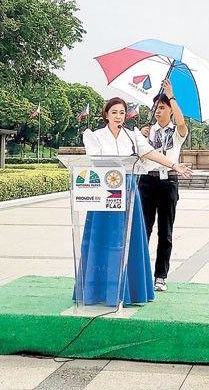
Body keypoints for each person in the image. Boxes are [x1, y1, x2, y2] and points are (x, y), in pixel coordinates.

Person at [78, 97, 193, 306]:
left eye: (122, 113)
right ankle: (97, 289)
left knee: (129, 239)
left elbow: (150, 153)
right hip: (105, 191)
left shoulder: (132, 136)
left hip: (128, 190)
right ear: (106, 115)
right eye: (114, 112)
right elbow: (95, 160)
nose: (118, 116)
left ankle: (129, 289)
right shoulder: (94, 136)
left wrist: (174, 166)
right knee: (102, 239)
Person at [139, 79, 189, 292]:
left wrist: (171, 95)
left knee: (165, 231)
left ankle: (161, 276)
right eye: (156, 108)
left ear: (169, 109)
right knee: (144, 229)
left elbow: (181, 121)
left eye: (162, 108)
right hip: (147, 181)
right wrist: (141, 136)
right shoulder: (146, 132)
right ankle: (139, 272)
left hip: (168, 181)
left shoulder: (177, 133)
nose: (158, 112)